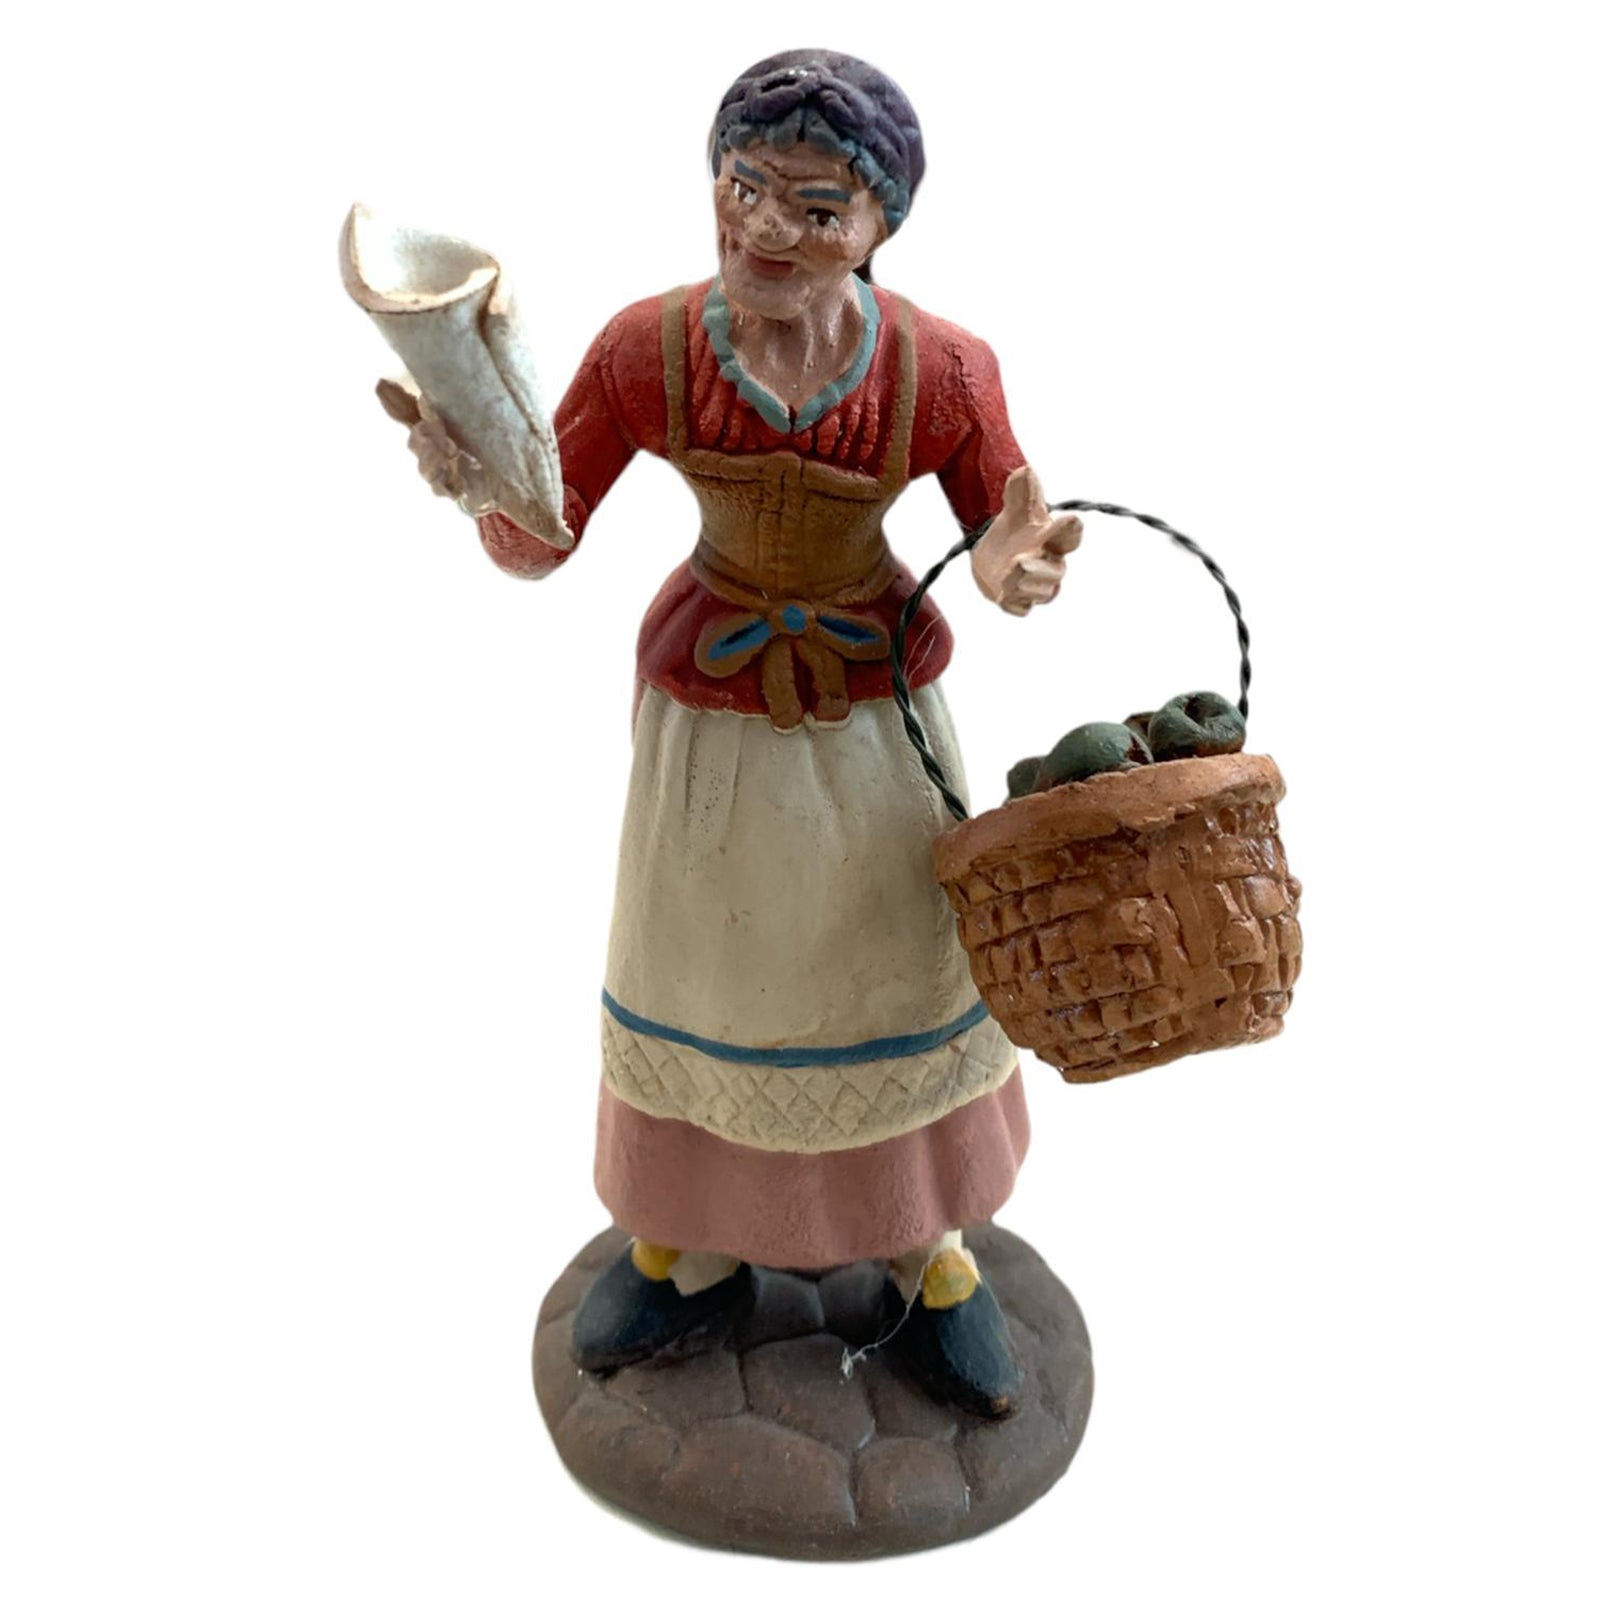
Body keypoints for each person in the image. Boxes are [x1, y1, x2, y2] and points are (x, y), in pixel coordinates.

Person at [407, 50, 1081, 1417]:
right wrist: (479, 476)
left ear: (880, 225)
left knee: (894, 969)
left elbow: (1002, 537)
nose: (768, 229)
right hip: (711, 731)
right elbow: (541, 535)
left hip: (872, 723)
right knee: (707, 975)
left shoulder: (943, 370)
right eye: (745, 187)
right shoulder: (647, 352)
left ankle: (925, 1249)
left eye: (818, 208)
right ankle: (690, 1245)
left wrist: (1014, 563)